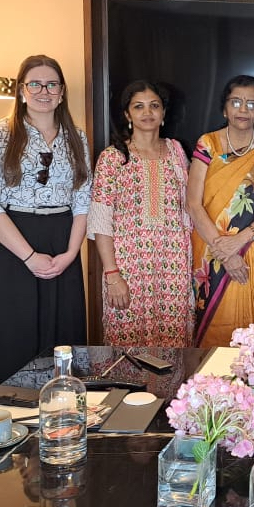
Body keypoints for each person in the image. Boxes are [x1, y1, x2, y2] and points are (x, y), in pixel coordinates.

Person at [0, 55, 91, 404]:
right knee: (8, 334)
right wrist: (30, 256)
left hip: (63, 243)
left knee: (59, 341)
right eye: (35, 83)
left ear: (62, 93)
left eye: (52, 84)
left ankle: (60, 414)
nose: (44, 91)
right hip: (8, 244)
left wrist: (70, 254)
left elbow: (83, 201)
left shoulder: (76, 137)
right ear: (22, 91)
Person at [187, 75, 254, 347]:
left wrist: (240, 240)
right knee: (216, 337)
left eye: (251, 104)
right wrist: (223, 250)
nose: (243, 110)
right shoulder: (208, 144)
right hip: (213, 253)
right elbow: (193, 204)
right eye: (236, 102)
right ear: (225, 108)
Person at [89, 80, 193, 346]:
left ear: (163, 113)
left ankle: (170, 391)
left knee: (174, 342)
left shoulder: (177, 152)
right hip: (127, 268)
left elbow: (191, 206)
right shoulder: (113, 158)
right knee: (127, 343)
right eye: (139, 106)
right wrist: (112, 275)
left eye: (154, 106)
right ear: (127, 114)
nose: (148, 113)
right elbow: (101, 222)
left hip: (174, 268)